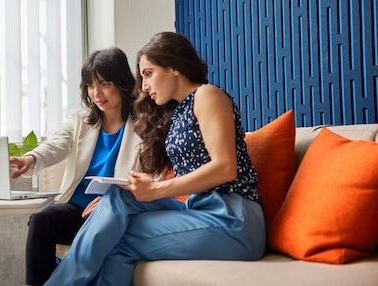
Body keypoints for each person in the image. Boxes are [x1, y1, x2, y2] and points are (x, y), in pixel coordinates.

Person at [43, 31, 267, 286]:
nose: (144, 85)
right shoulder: (180, 111)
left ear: (173, 67)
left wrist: (157, 189)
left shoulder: (208, 95)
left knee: (119, 238)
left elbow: (225, 168)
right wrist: (141, 187)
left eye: (148, 73)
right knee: (120, 195)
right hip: (200, 210)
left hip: (233, 219)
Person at [9, 47, 141, 286]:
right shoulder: (81, 120)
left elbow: (150, 174)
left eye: (104, 83)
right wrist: (31, 159)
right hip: (78, 211)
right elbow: (56, 145)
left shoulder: (142, 126)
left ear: (122, 82)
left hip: (113, 211)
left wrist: (118, 197)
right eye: (90, 85)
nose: (96, 93)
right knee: (42, 220)